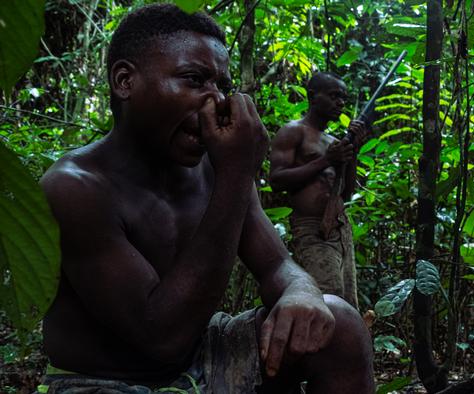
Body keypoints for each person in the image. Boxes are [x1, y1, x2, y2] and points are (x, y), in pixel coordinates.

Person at [37, 4, 374, 393]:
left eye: (223, 87)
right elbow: (159, 337)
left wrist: (302, 291)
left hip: (204, 355)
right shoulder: (74, 187)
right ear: (125, 80)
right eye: (194, 79)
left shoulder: (217, 168)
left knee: (339, 324)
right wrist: (236, 173)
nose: (217, 102)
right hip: (104, 380)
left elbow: (277, 265)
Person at [269, 73, 369, 309]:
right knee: (326, 300)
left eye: (344, 98)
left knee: (346, 302)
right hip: (311, 228)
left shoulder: (333, 140)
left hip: (338, 227)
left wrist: (352, 153)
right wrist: (325, 161)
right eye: (334, 96)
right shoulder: (294, 132)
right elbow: (277, 180)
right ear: (313, 97)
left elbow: (346, 194)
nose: (341, 103)